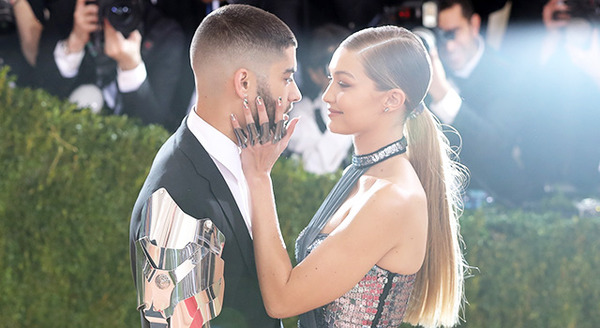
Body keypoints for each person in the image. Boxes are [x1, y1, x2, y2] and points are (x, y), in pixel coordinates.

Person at [231, 25, 466, 327]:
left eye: (344, 84)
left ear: (392, 100)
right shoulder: (365, 174)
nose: (327, 95)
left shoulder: (392, 198)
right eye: (331, 79)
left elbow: (282, 300)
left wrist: (259, 176)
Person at [129, 4, 301, 327]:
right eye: (287, 77)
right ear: (244, 83)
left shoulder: (247, 160)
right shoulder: (174, 201)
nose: (296, 93)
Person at [426, 0, 537, 205]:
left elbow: (495, 146)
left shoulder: (510, 74)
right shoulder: (423, 71)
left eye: (453, 33)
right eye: (439, 36)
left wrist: (442, 95)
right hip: (436, 204)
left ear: (474, 25)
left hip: (503, 203)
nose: (448, 45)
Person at [34, 0, 186, 130]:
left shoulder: (165, 34)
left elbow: (153, 126)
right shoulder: (74, 10)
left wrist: (131, 66)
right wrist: (74, 43)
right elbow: (39, 89)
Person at [286, 23, 353, 174]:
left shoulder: (373, 104)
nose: (343, 75)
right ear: (314, 74)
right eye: (330, 67)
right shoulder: (302, 114)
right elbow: (312, 168)